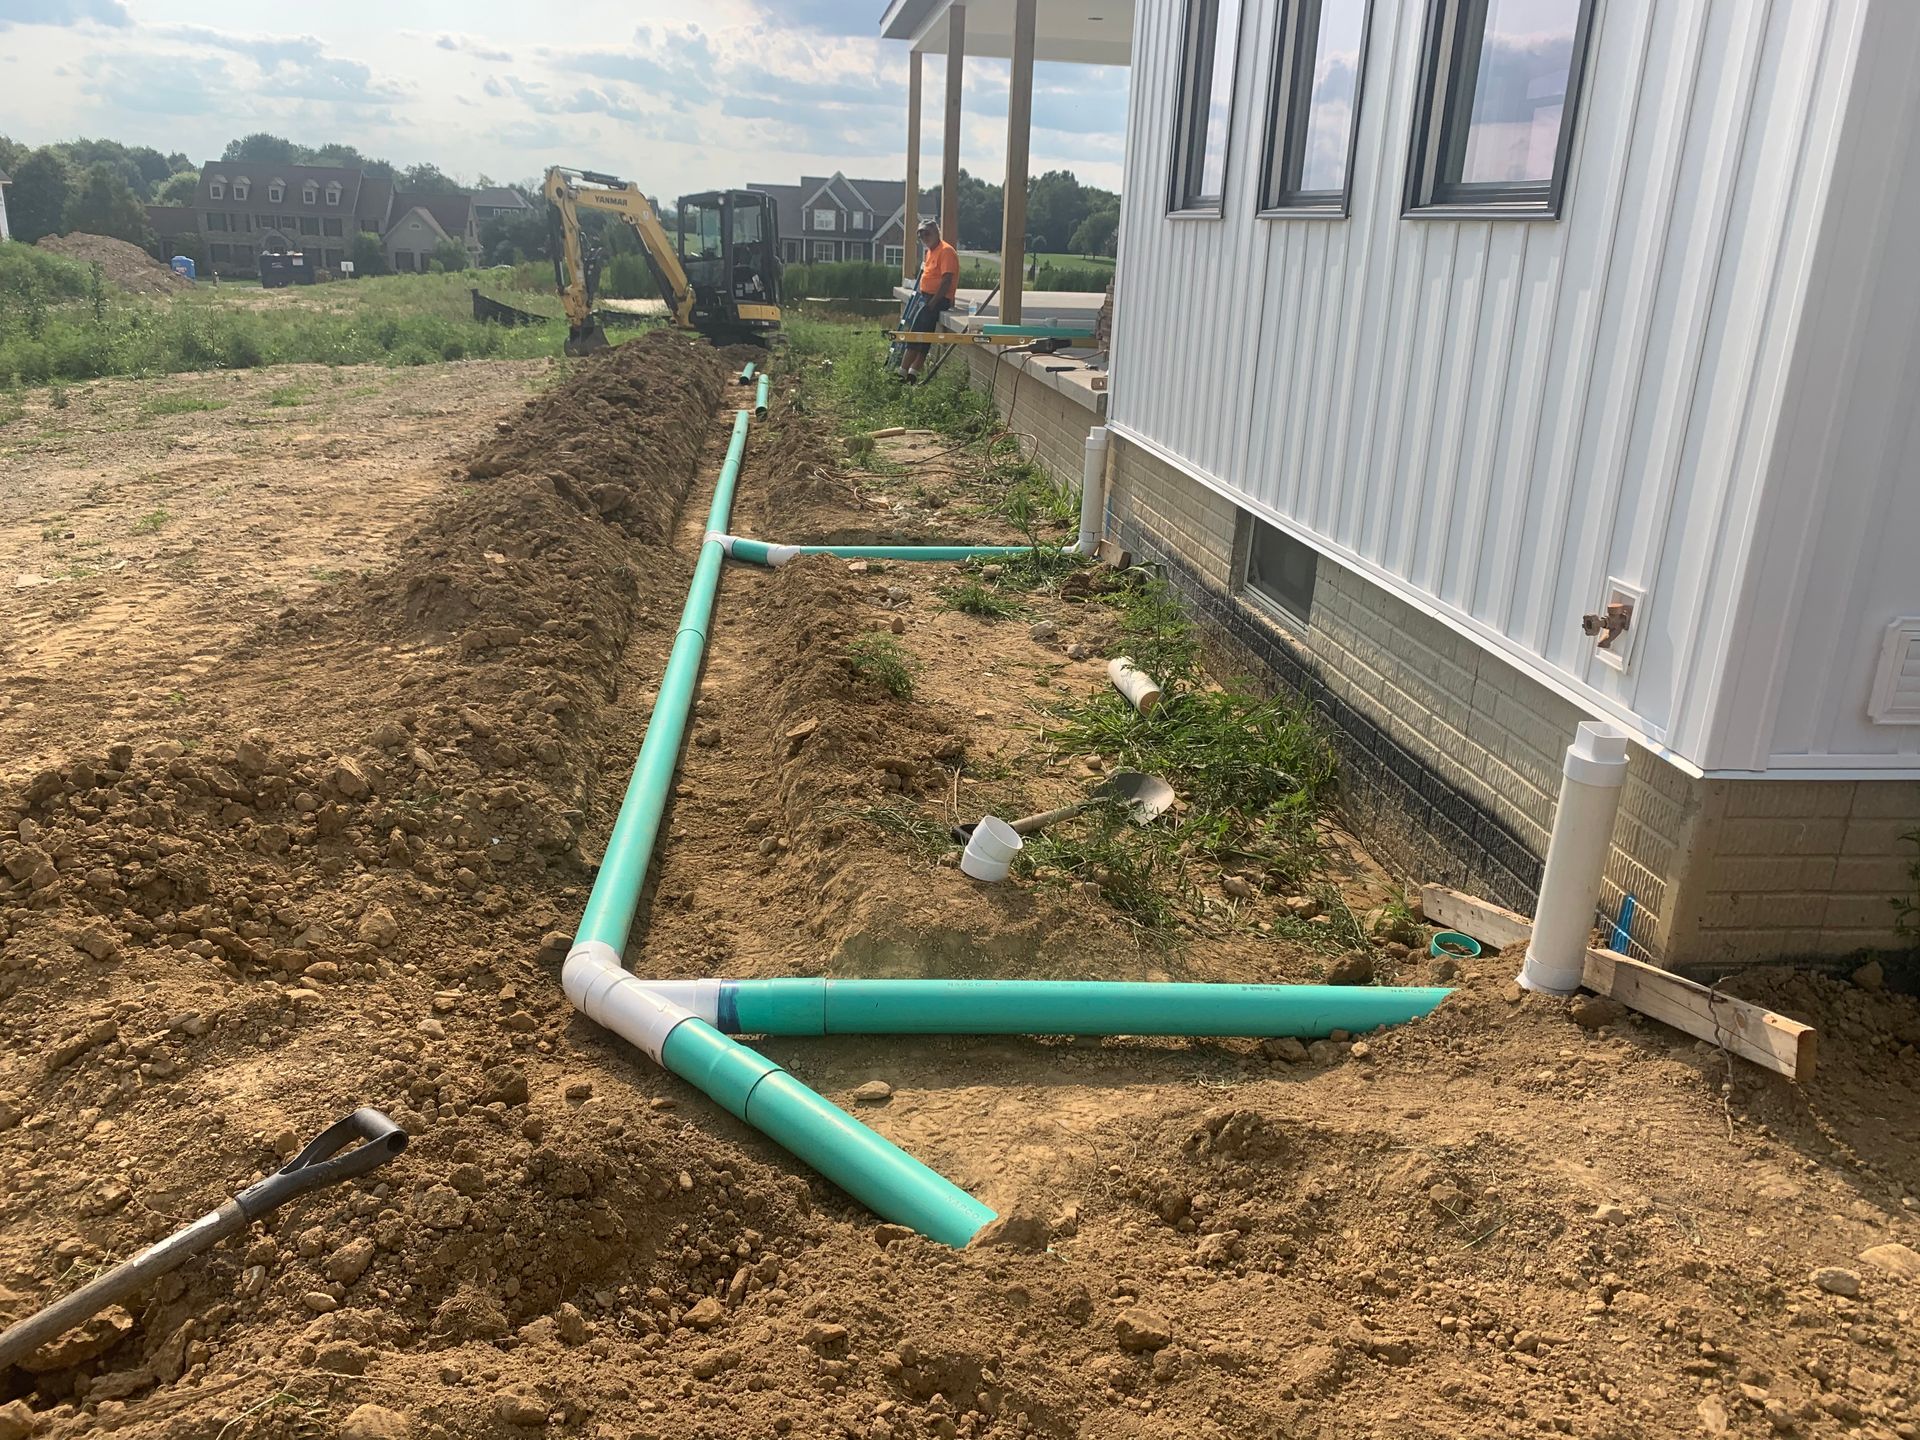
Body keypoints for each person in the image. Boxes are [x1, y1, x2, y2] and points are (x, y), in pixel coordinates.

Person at [898, 218, 958, 383]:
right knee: (925, 336)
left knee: (916, 335)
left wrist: (932, 304)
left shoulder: (946, 251)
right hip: (926, 297)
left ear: (936, 232)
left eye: (927, 233)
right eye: (921, 234)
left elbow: (946, 280)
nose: (924, 237)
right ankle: (913, 374)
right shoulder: (930, 251)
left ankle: (901, 373)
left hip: (937, 298)